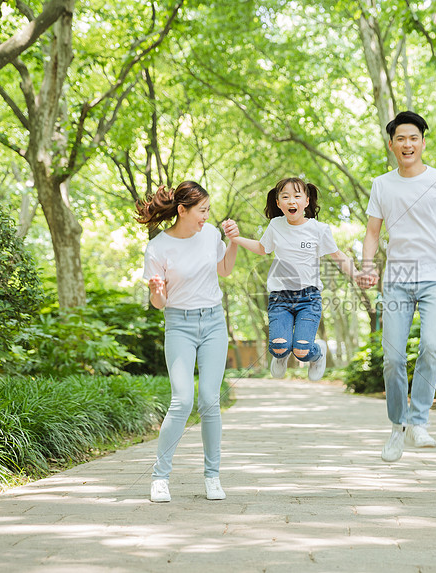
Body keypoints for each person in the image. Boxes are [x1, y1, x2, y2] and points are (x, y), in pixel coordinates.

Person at [359, 111, 436, 463]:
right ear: (392, 144)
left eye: (414, 138)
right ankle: (398, 427)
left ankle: (419, 422)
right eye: (401, 139)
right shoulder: (382, 184)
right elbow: (372, 232)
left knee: (431, 345)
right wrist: (367, 266)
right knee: (393, 358)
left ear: (423, 143)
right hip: (396, 280)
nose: (407, 144)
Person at [136, 180, 240, 502]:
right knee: (181, 401)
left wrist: (233, 241)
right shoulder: (158, 247)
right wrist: (156, 291)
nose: (207, 217)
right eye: (202, 211)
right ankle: (160, 477)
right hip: (178, 325)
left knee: (209, 400)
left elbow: (224, 270)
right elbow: (159, 303)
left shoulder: (210, 235)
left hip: (212, 323)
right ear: (182, 211)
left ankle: (212, 477)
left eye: (208, 210)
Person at [230, 177, 359, 381]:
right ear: (278, 203)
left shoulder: (319, 229)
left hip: (309, 299)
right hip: (280, 298)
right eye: (285, 197)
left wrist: (358, 274)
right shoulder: (275, 225)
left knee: (302, 350)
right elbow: (262, 249)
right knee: (280, 347)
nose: (292, 201)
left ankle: (319, 352)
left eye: (297, 196)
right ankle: (280, 355)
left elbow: (338, 255)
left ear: (306, 201)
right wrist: (235, 239)